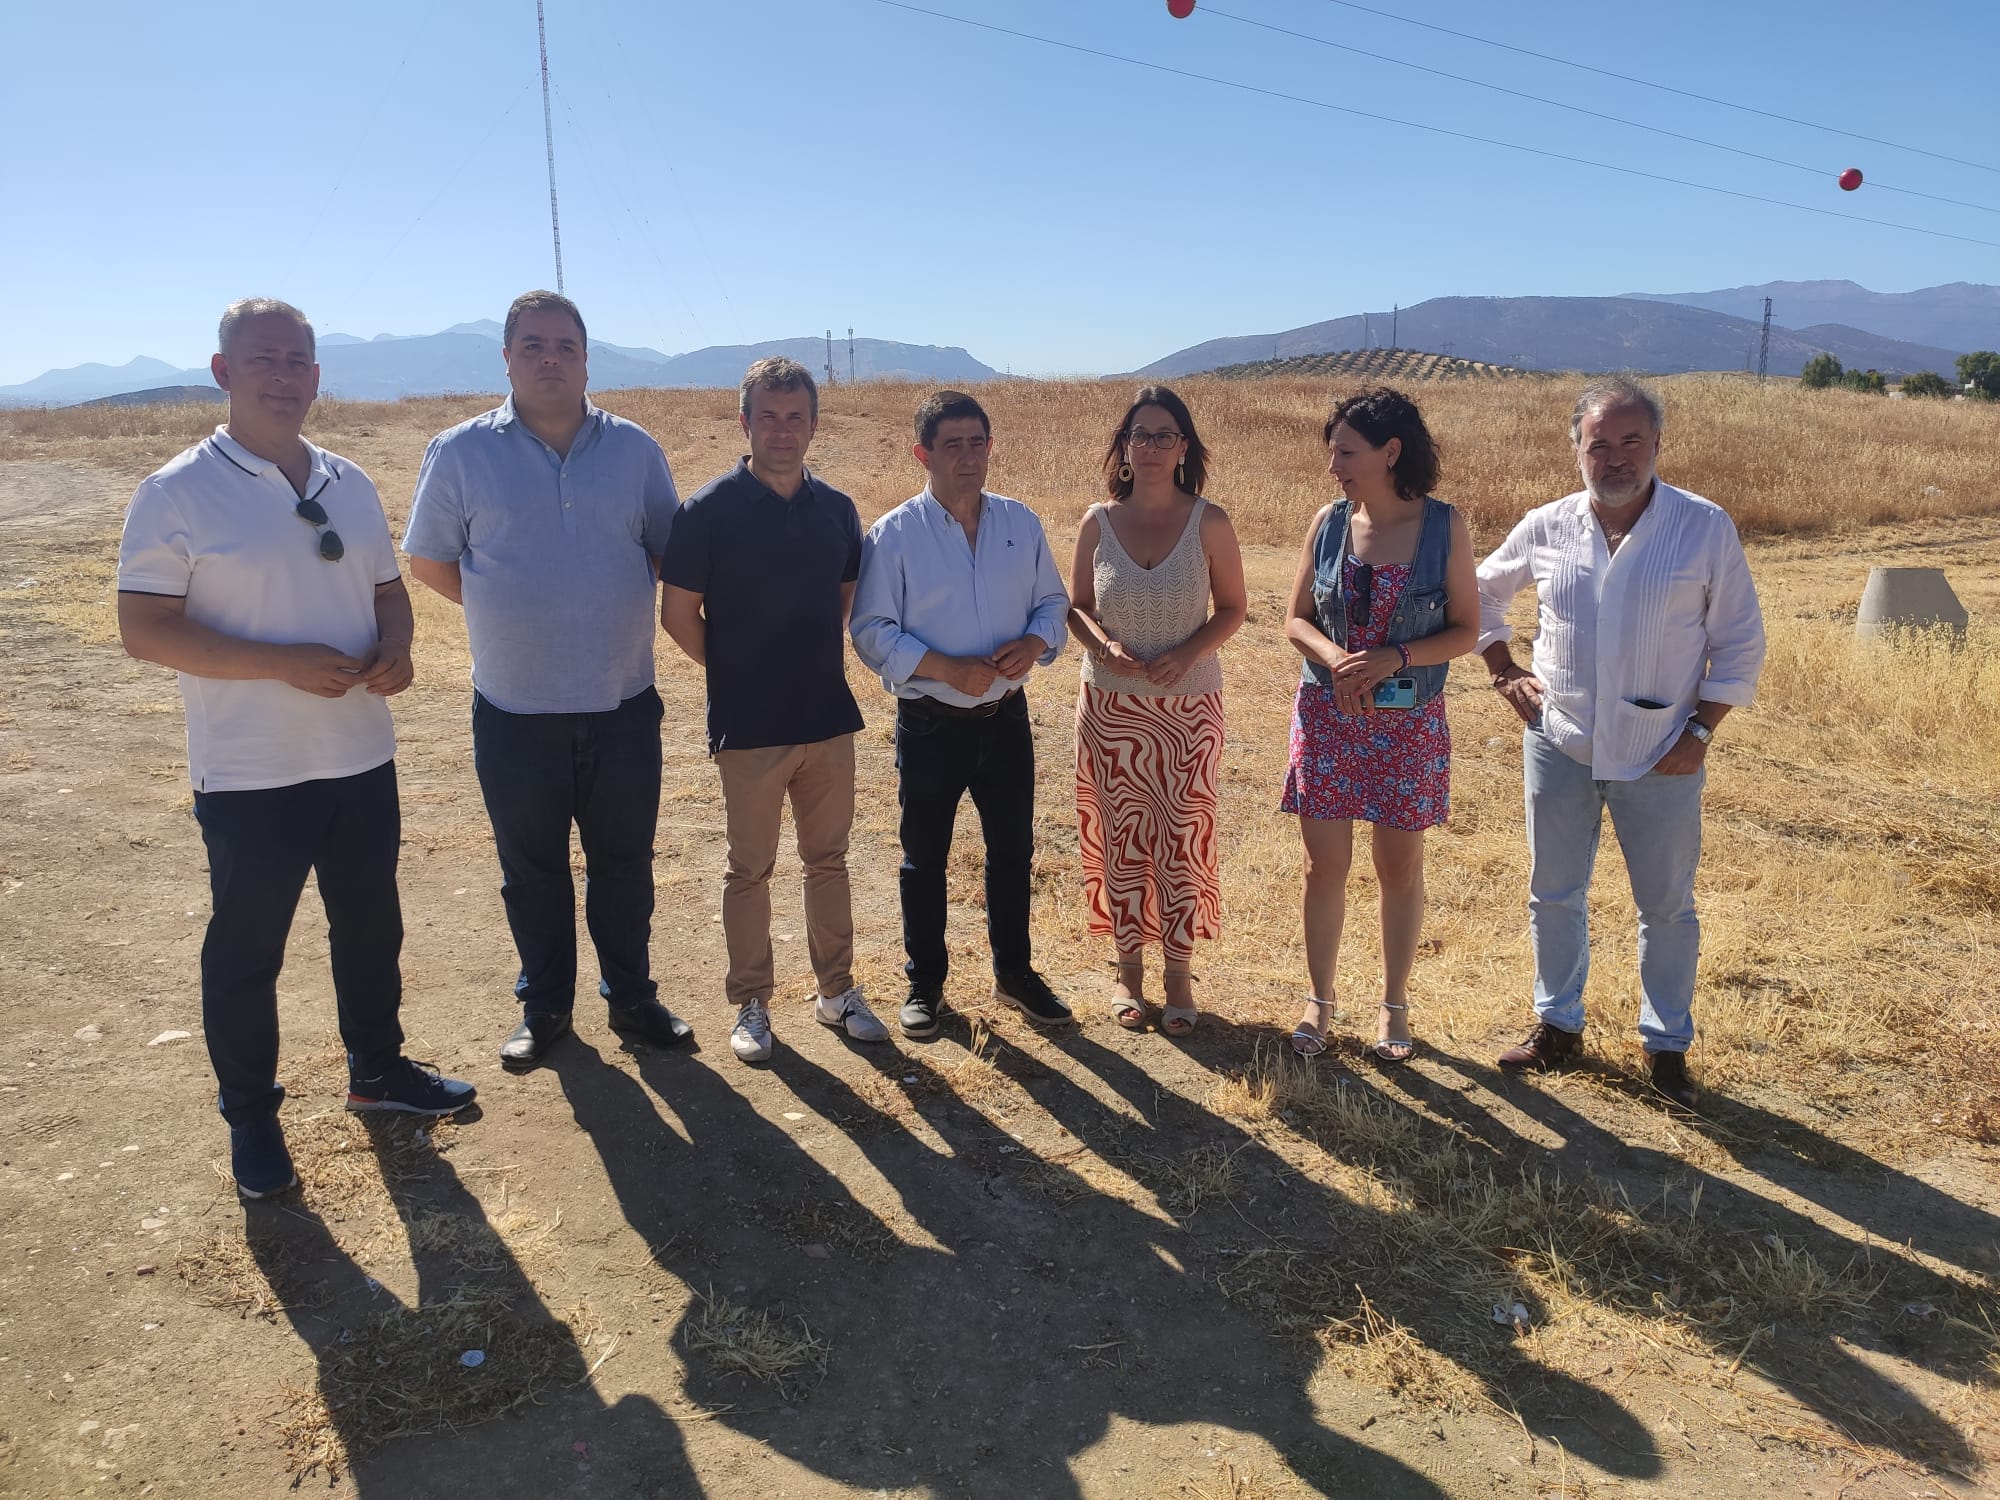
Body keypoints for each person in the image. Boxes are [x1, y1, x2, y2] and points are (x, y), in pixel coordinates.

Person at [116, 298, 475, 1201]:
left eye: (299, 361)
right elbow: (143, 628)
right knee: (247, 951)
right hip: (249, 772)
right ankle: (252, 1120)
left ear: (318, 375)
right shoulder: (174, 492)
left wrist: (400, 645)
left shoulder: (348, 483)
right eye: (264, 359)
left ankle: (378, 1072)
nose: (284, 376)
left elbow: (388, 589)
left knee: (371, 928)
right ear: (223, 372)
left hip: (359, 756)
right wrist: (278, 665)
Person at [403, 290, 691, 1072]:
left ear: (588, 358)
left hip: (622, 703)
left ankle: (632, 997)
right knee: (530, 871)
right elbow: (430, 560)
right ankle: (546, 1008)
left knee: (624, 865)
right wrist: (506, 604)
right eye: (532, 345)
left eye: (566, 345)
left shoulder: (635, 451)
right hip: (513, 710)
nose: (550, 358)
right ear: (506, 357)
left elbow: (670, 554)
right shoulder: (460, 453)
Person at [1477, 376, 1766, 1109]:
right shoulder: (1547, 525)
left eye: (1630, 440)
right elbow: (1478, 591)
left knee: (1667, 905)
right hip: (1560, 741)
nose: (1613, 458)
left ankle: (1665, 1046)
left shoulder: (1704, 527)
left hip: (1662, 747)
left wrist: (1701, 730)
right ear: (1575, 450)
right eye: (1597, 444)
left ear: (1658, 445)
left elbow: (1739, 641)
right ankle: (1557, 1026)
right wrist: (1502, 667)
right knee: (1554, 893)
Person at [660, 357, 886, 1064]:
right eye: (768, 416)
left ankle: (836, 992)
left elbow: (844, 599)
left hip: (826, 717)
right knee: (749, 868)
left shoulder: (838, 511)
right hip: (749, 725)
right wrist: (737, 670)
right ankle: (752, 1004)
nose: (782, 431)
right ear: (745, 421)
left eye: (796, 417)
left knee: (829, 860)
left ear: (814, 425)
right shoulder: (706, 512)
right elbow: (677, 615)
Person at [850, 390, 1074, 1039]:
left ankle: (1016, 974)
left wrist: (1035, 644)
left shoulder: (1020, 523)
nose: (968, 457)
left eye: (978, 443)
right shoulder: (892, 536)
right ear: (922, 453)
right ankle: (925, 985)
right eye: (953, 445)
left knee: (1013, 851)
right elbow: (870, 630)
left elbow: (1053, 604)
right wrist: (946, 669)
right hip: (930, 723)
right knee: (925, 858)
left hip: (1006, 718)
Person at [1280, 388, 1477, 1063]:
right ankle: (1320, 1001)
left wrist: (1395, 656)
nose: (1334, 464)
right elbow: (1295, 617)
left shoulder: (1446, 527)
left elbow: (1467, 631)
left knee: (1400, 867)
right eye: (1332, 450)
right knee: (1321, 867)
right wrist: (1335, 658)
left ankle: (1395, 1006)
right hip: (1328, 717)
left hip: (1409, 723)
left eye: (1346, 451)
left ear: (1391, 452)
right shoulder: (1329, 523)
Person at [1066, 386, 1245, 1036]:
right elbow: (1076, 606)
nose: (1150, 446)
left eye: (1165, 435)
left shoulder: (1210, 522)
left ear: (1184, 447)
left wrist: (1187, 651)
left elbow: (1232, 608)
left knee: (1181, 841)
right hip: (1110, 710)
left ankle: (1176, 972)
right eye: (1140, 434)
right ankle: (1126, 970)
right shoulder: (1097, 522)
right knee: (1120, 843)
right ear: (1124, 445)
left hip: (1189, 709)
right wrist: (1103, 643)